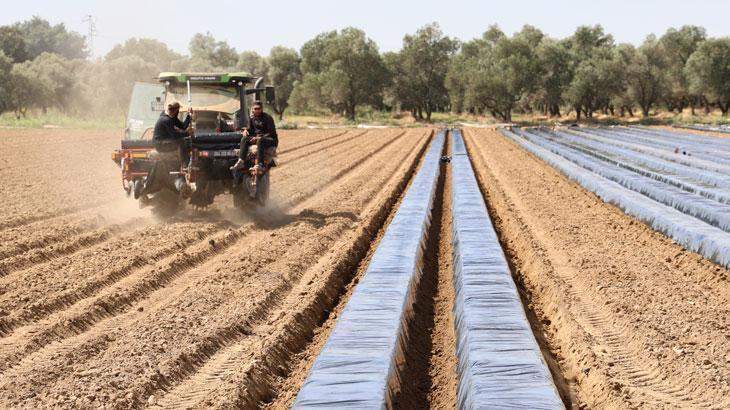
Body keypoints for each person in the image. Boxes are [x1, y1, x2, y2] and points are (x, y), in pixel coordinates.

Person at [231, 101, 278, 173]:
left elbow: (271, 133)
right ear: (252, 109)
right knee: (244, 138)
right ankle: (241, 161)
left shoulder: (267, 118)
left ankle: (260, 164)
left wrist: (258, 137)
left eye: (258, 108)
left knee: (260, 140)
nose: (257, 110)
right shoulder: (251, 118)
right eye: (255, 109)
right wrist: (245, 130)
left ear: (261, 109)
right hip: (258, 138)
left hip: (270, 139)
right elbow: (249, 129)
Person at [152, 101, 194, 167]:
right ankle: (185, 164)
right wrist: (187, 133)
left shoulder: (172, 117)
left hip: (166, 141)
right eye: (178, 110)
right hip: (160, 144)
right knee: (181, 142)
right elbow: (175, 135)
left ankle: (186, 159)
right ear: (176, 111)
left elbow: (183, 126)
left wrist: (189, 115)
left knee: (186, 142)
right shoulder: (166, 120)